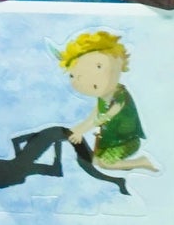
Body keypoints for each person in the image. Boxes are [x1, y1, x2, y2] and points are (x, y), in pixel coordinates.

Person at [60, 29, 157, 173]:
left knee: (105, 163)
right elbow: (93, 116)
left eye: (99, 66)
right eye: (73, 76)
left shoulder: (120, 95)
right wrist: (77, 129)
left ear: (119, 63)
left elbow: (105, 117)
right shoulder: (102, 98)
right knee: (94, 161)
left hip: (126, 140)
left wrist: (82, 131)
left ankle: (141, 162)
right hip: (108, 141)